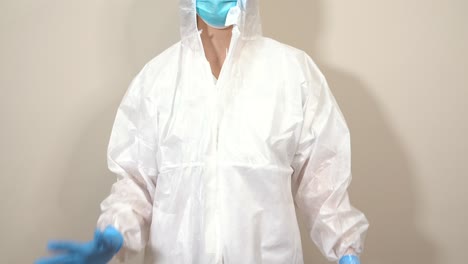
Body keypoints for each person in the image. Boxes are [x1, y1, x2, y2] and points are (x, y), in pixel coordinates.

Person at [36, 0, 369, 263]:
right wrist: (113, 235)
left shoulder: (291, 74)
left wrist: (346, 250)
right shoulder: (157, 81)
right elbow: (135, 187)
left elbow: (323, 184)